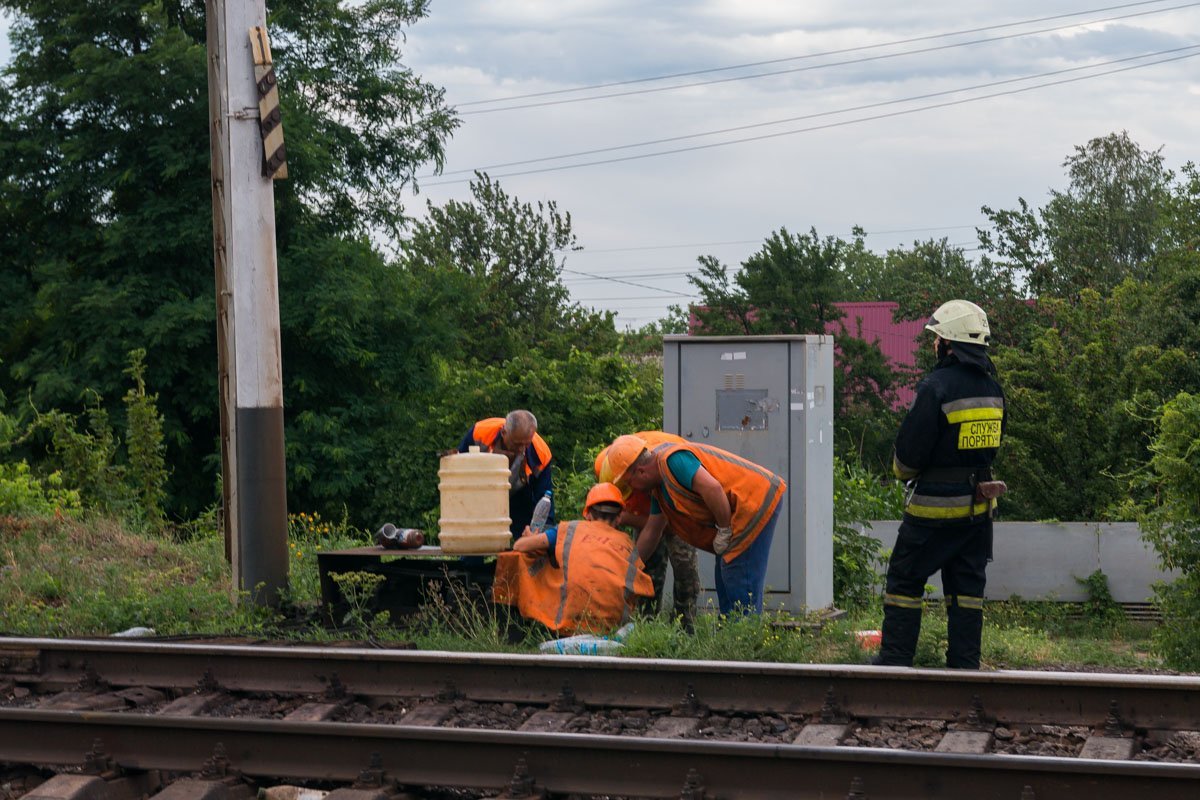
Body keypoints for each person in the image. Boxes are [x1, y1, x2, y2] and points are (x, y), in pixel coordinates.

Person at [875, 299, 1006, 670]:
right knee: (967, 593)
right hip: (978, 513)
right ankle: (964, 667)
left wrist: (902, 471)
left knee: (904, 580)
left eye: (937, 338)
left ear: (948, 343)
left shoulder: (935, 386)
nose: (933, 344)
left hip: (932, 512)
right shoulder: (993, 389)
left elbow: (908, 459)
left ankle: (895, 662)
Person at [606, 434, 786, 616]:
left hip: (753, 502)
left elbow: (712, 488)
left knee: (737, 576)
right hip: (738, 512)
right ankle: (732, 635)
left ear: (641, 471)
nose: (633, 488)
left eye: (630, 482)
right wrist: (627, 569)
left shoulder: (672, 460)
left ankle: (746, 635)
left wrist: (724, 530)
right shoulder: (659, 487)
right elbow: (652, 531)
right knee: (724, 576)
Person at [492, 482, 655, 635]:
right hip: (613, 627)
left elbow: (520, 546)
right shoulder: (627, 543)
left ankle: (511, 624)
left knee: (519, 558)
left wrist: (530, 536)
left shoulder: (571, 529)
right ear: (619, 517)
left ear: (588, 514)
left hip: (570, 626)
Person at [595, 433, 700, 630]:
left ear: (639, 474)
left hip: (677, 509)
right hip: (644, 510)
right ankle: (645, 626)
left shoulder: (667, 466)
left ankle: (685, 629)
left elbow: (663, 526)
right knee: (646, 568)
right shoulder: (605, 464)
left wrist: (628, 519)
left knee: (684, 568)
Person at [459, 410, 552, 537]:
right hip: (478, 492)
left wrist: (543, 536)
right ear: (504, 432)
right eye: (517, 444)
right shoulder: (480, 433)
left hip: (518, 495)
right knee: (472, 543)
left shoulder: (541, 453)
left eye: (527, 444)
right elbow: (459, 468)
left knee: (525, 539)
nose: (521, 449)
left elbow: (544, 499)